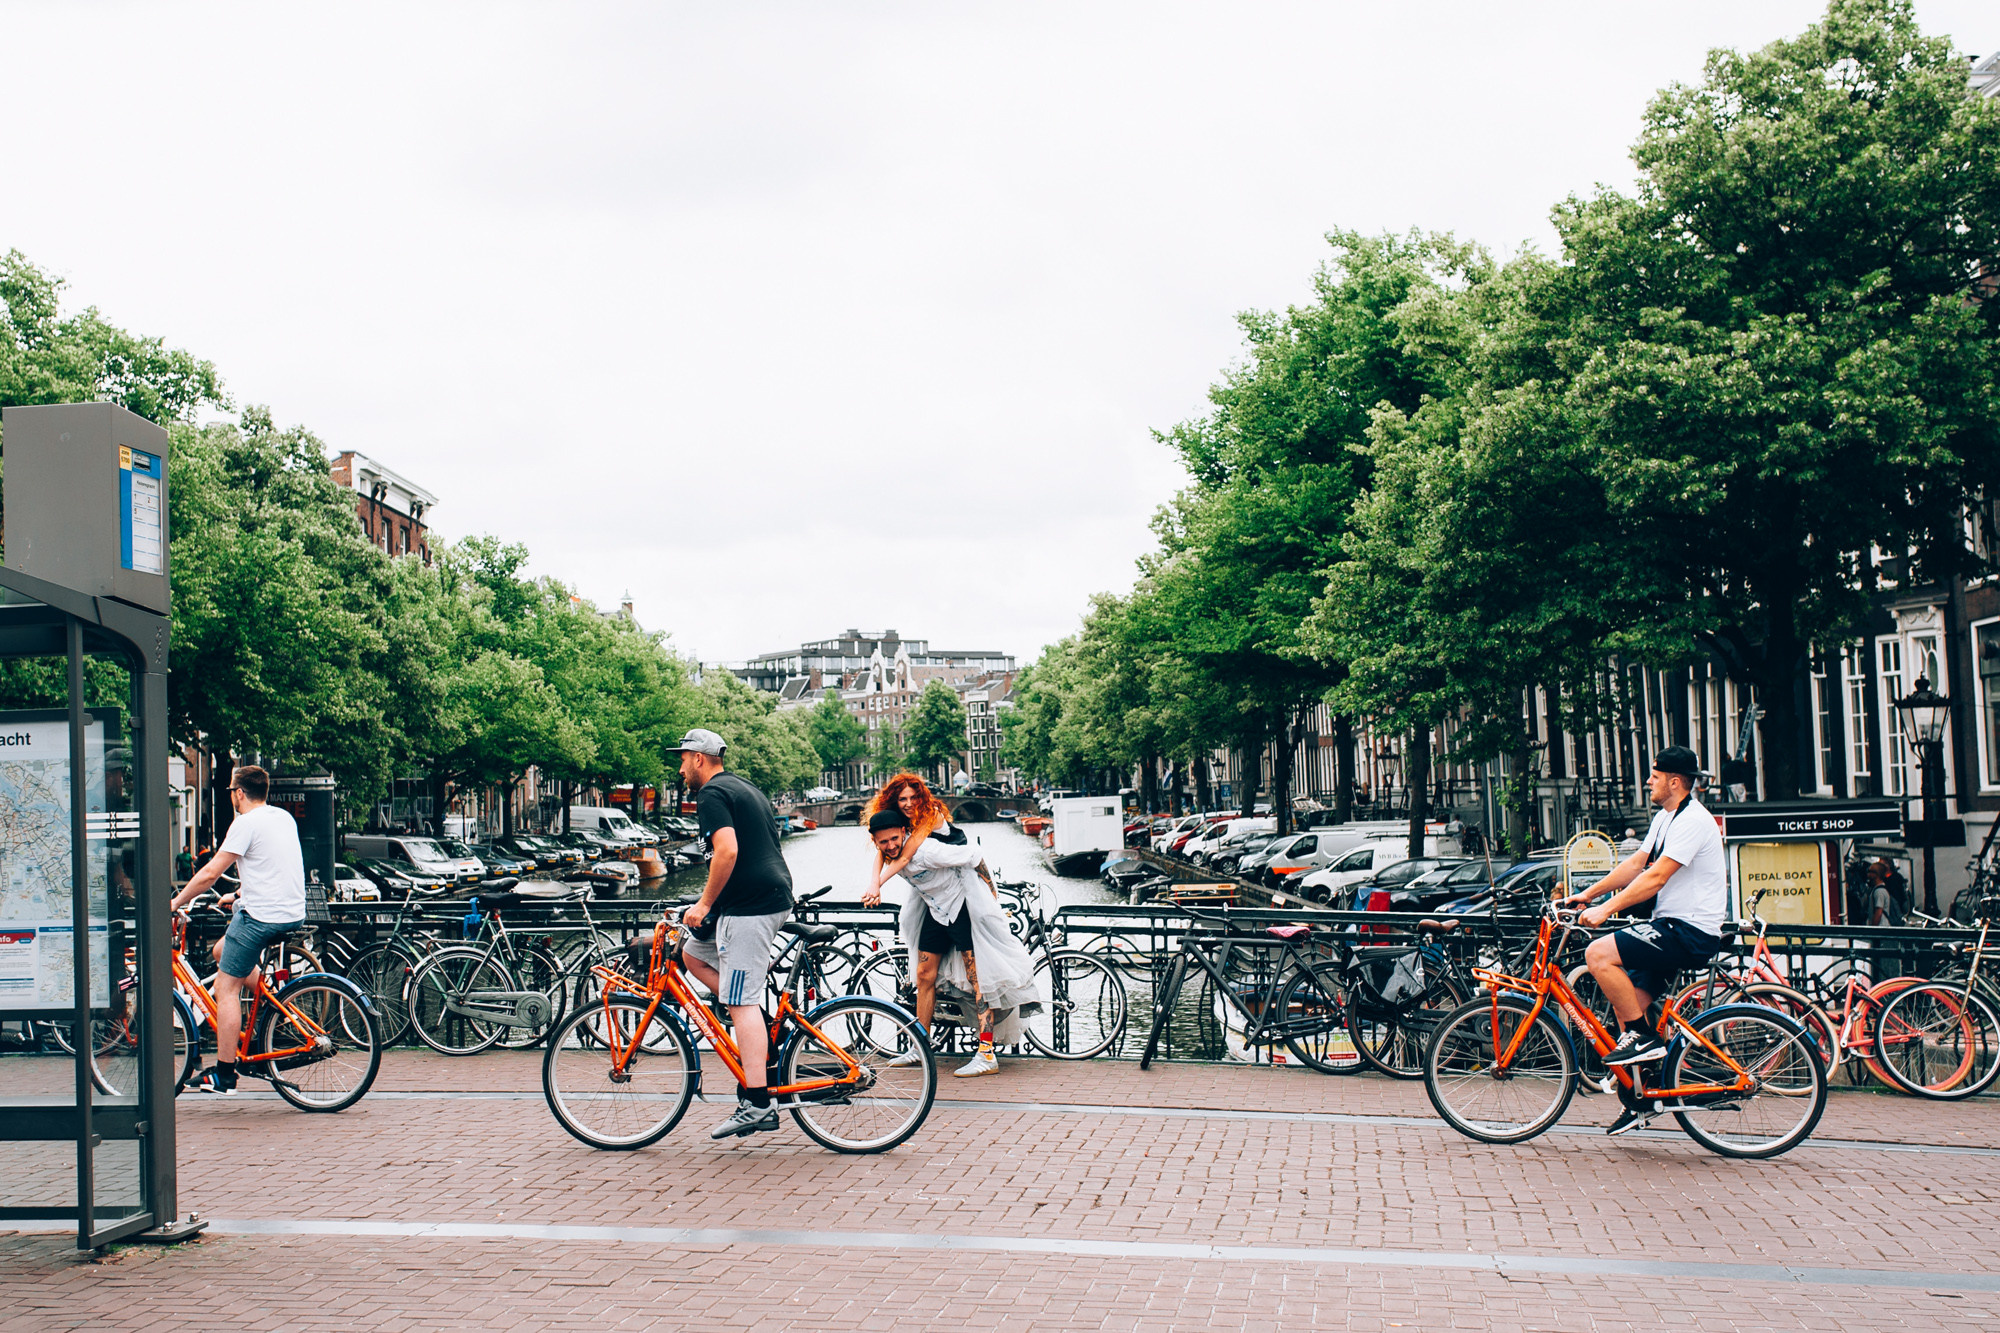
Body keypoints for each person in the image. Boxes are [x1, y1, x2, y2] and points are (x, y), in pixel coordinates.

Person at [1558, 744, 1727, 1135]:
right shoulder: (1666, 817)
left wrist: (1604, 911)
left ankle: (1646, 1040)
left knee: (1598, 953)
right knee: (1627, 1007)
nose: (1647, 781)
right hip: (1671, 925)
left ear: (1674, 781)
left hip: (1689, 930)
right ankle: (1642, 1099)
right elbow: (1636, 864)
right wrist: (1589, 894)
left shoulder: (1694, 822)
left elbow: (1655, 877)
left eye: (1654, 775)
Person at [862, 773, 1041, 1077]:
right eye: (885, 842)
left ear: (904, 832)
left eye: (894, 839)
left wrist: (990, 895)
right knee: (923, 974)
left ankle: (987, 1055)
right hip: (935, 910)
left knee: (978, 979)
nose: (891, 846)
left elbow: (974, 854)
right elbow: (885, 857)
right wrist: (873, 882)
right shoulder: (888, 847)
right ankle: (921, 1045)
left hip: (961, 908)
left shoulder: (928, 848)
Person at [670, 727, 796, 1140]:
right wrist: (707, 909)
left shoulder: (710, 794)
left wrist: (704, 905)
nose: (681, 767)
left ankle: (758, 1102)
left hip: (751, 909)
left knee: (740, 1000)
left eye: (684, 758)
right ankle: (757, 1032)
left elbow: (727, 851)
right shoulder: (743, 787)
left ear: (700, 759)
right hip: (762, 897)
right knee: (691, 954)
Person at [169, 765, 305, 1094]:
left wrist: (174, 903)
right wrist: (240, 893)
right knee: (221, 951)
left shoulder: (244, 823)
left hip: (260, 917)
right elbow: (275, 867)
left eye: (231, 791)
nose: (232, 796)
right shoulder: (281, 817)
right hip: (291, 912)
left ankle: (225, 1074)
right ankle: (272, 1000)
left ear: (239, 793)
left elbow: (210, 873)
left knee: (224, 989)